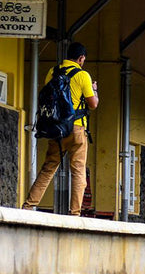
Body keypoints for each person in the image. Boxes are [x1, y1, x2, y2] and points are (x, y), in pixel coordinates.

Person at [23, 42, 99, 215]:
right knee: (78, 171)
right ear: (81, 58)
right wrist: (94, 90)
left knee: (48, 168)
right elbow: (93, 104)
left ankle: (28, 207)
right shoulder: (82, 75)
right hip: (77, 129)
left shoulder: (53, 72)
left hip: (57, 129)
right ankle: (74, 214)